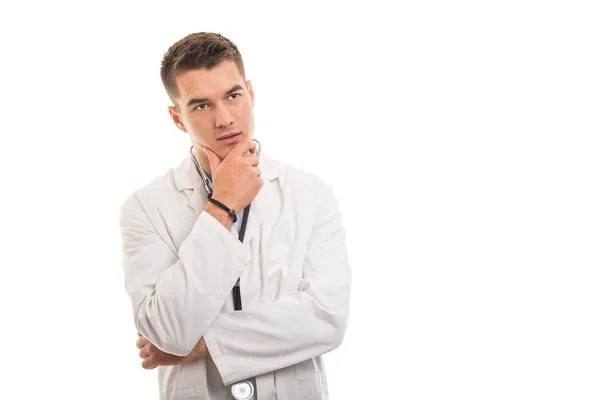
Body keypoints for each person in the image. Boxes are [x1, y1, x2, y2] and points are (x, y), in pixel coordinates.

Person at [119, 32, 351, 400]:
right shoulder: (145, 207)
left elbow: (326, 319)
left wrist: (202, 346)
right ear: (177, 118)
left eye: (233, 96)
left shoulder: (310, 194)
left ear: (251, 94)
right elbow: (165, 331)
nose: (225, 119)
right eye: (201, 106)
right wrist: (222, 205)